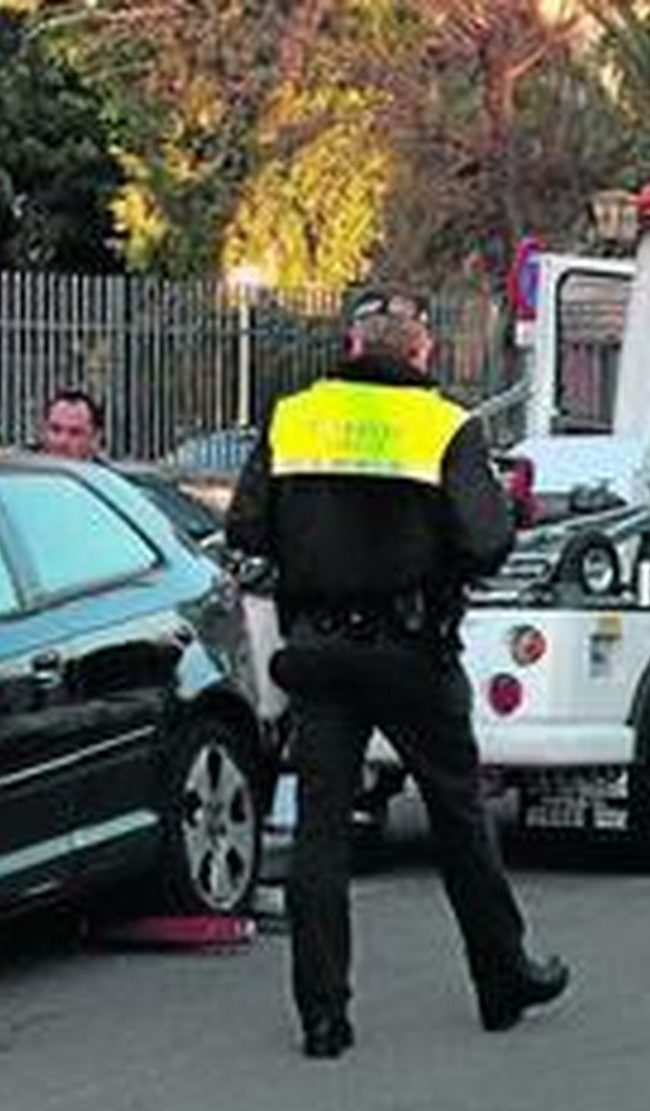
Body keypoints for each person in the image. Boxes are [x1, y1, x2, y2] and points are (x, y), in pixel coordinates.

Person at [227, 287, 570, 1059]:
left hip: (316, 650)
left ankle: (324, 1016)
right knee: (458, 815)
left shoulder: (293, 417)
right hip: (412, 651)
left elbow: (244, 525)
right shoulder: (445, 424)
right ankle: (502, 975)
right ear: (421, 353)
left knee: (321, 833)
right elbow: (485, 543)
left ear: (352, 348)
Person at [40, 389, 104, 461]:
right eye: (55, 430)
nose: (62, 441)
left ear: (95, 438)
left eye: (75, 433)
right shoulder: (28, 470)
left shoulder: (106, 471)